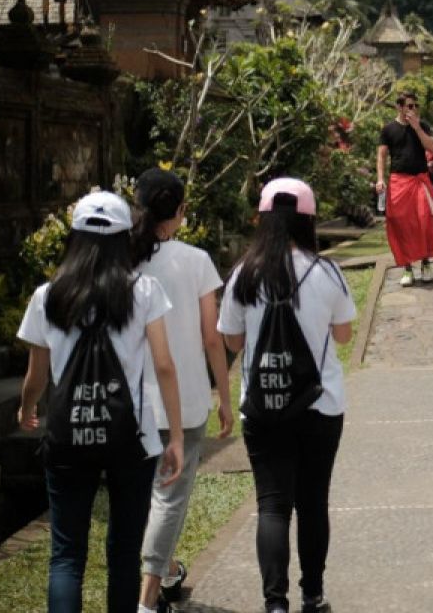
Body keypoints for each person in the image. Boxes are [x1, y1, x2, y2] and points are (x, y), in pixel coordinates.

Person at [16, 191, 184, 613]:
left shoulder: (47, 296)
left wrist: (26, 409)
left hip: (68, 434)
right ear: (125, 237)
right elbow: (164, 366)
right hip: (130, 436)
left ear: (73, 237)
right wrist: (176, 436)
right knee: (124, 551)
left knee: (67, 555)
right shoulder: (143, 290)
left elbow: (37, 374)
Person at [218, 178, 355, 613]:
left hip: (263, 406)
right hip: (320, 404)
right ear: (308, 221)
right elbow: (345, 334)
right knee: (313, 502)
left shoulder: (244, 272)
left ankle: (274, 604)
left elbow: (233, 342)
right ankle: (312, 596)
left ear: (263, 221)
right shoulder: (326, 272)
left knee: (273, 506)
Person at [131, 169, 233, 613]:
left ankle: (167, 569)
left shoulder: (121, 260)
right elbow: (213, 338)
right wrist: (225, 397)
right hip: (186, 400)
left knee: (144, 495)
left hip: (132, 402)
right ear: (180, 212)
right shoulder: (195, 261)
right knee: (169, 498)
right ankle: (148, 599)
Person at [376, 92, 433, 287]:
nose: (412, 109)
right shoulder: (388, 129)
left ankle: (426, 263)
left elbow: (432, 148)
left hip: (420, 180)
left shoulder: (422, 125)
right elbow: (381, 156)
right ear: (399, 107)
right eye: (409, 106)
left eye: (415, 106)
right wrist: (380, 179)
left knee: (424, 221)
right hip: (399, 181)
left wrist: (417, 127)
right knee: (402, 225)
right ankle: (407, 268)